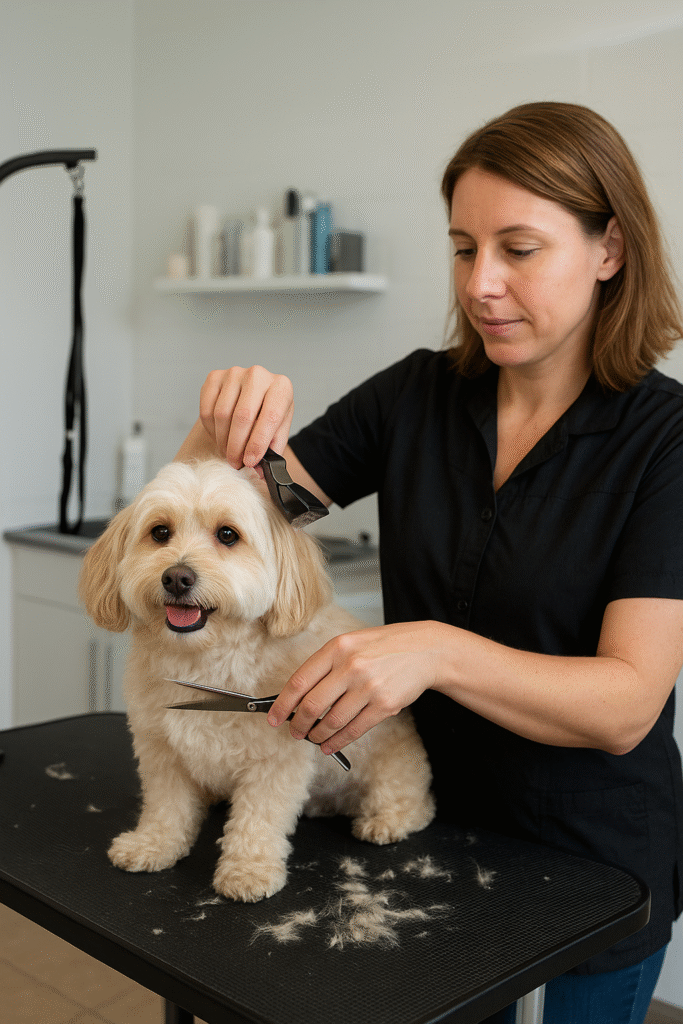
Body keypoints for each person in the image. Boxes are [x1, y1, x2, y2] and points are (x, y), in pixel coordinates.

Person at [176, 102, 683, 1024]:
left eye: (518, 249)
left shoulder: (665, 442)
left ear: (608, 249)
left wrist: (437, 651)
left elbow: (626, 706)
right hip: (427, 829)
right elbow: (227, 510)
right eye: (462, 248)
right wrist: (223, 420)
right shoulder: (415, 394)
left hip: (594, 865)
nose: (481, 284)